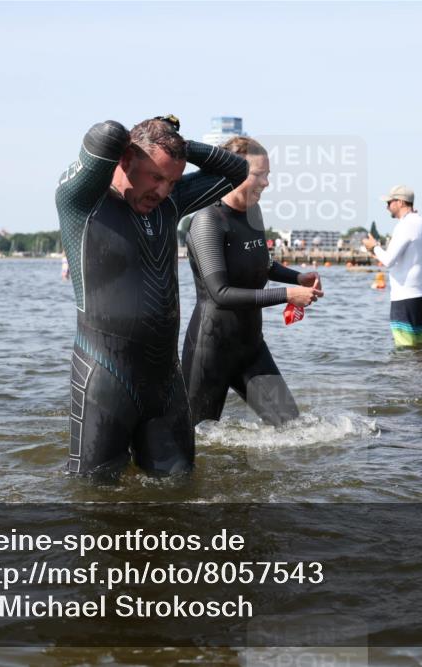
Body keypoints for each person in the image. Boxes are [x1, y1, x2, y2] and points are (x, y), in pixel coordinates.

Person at [55, 116, 248, 478]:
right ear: (125, 161)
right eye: (155, 177)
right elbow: (104, 135)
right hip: (105, 376)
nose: (162, 190)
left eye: (172, 181)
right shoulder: (82, 203)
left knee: (179, 489)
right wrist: (142, 138)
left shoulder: (169, 205)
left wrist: (179, 145)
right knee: (94, 495)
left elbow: (237, 170)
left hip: (165, 383)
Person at [181, 137, 322, 427]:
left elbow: (262, 263)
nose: (267, 183)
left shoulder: (253, 212)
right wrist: (287, 294)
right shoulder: (208, 220)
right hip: (210, 351)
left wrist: (297, 277)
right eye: (259, 175)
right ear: (233, 174)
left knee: (293, 429)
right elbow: (220, 293)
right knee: (195, 445)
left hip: (251, 348)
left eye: (268, 174)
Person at [362, 185, 422, 348]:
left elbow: (388, 260)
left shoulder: (407, 224)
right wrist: (375, 250)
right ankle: (420, 373)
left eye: (389, 202)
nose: (386, 207)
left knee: (405, 348)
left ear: (400, 202)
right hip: (419, 296)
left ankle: (405, 375)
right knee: (417, 346)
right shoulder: (419, 222)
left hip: (405, 297)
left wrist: (374, 246)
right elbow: (401, 259)